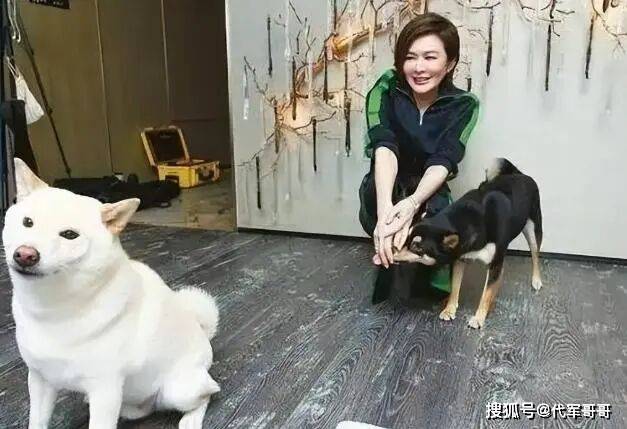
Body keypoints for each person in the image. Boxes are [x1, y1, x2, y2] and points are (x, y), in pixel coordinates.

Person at [358, 12, 480, 303]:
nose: (419, 67)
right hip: (386, 182)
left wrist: (413, 204)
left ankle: (419, 262)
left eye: (430, 57)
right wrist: (387, 214)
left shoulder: (464, 104)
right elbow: (384, 147)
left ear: (450, 63)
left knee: (439, 220)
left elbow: (444, 159)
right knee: (379, 196)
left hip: (428, 186)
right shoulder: (386, 88)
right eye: (410, 57)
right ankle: (391, 247)